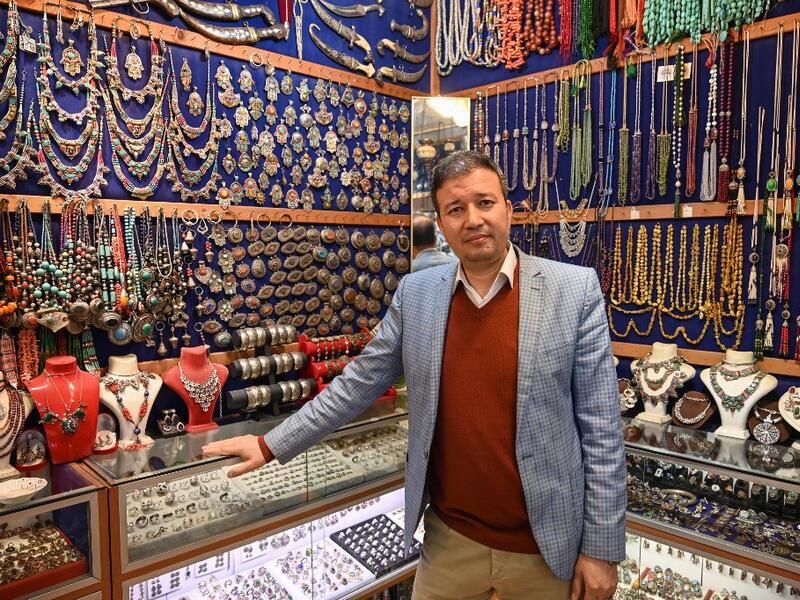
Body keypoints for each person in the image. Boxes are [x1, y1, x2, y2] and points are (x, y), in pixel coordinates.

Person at [203, 151, 626, 600]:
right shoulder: (417, 293)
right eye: (456, 209)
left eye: (485, 203)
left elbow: (602, 430)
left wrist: (601, 551)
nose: (473, 220)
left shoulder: (573, 290)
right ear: (441, 225)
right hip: (449, 544)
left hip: (545, 551)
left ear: (508, 209)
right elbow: (357, 383)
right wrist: (270, 445)